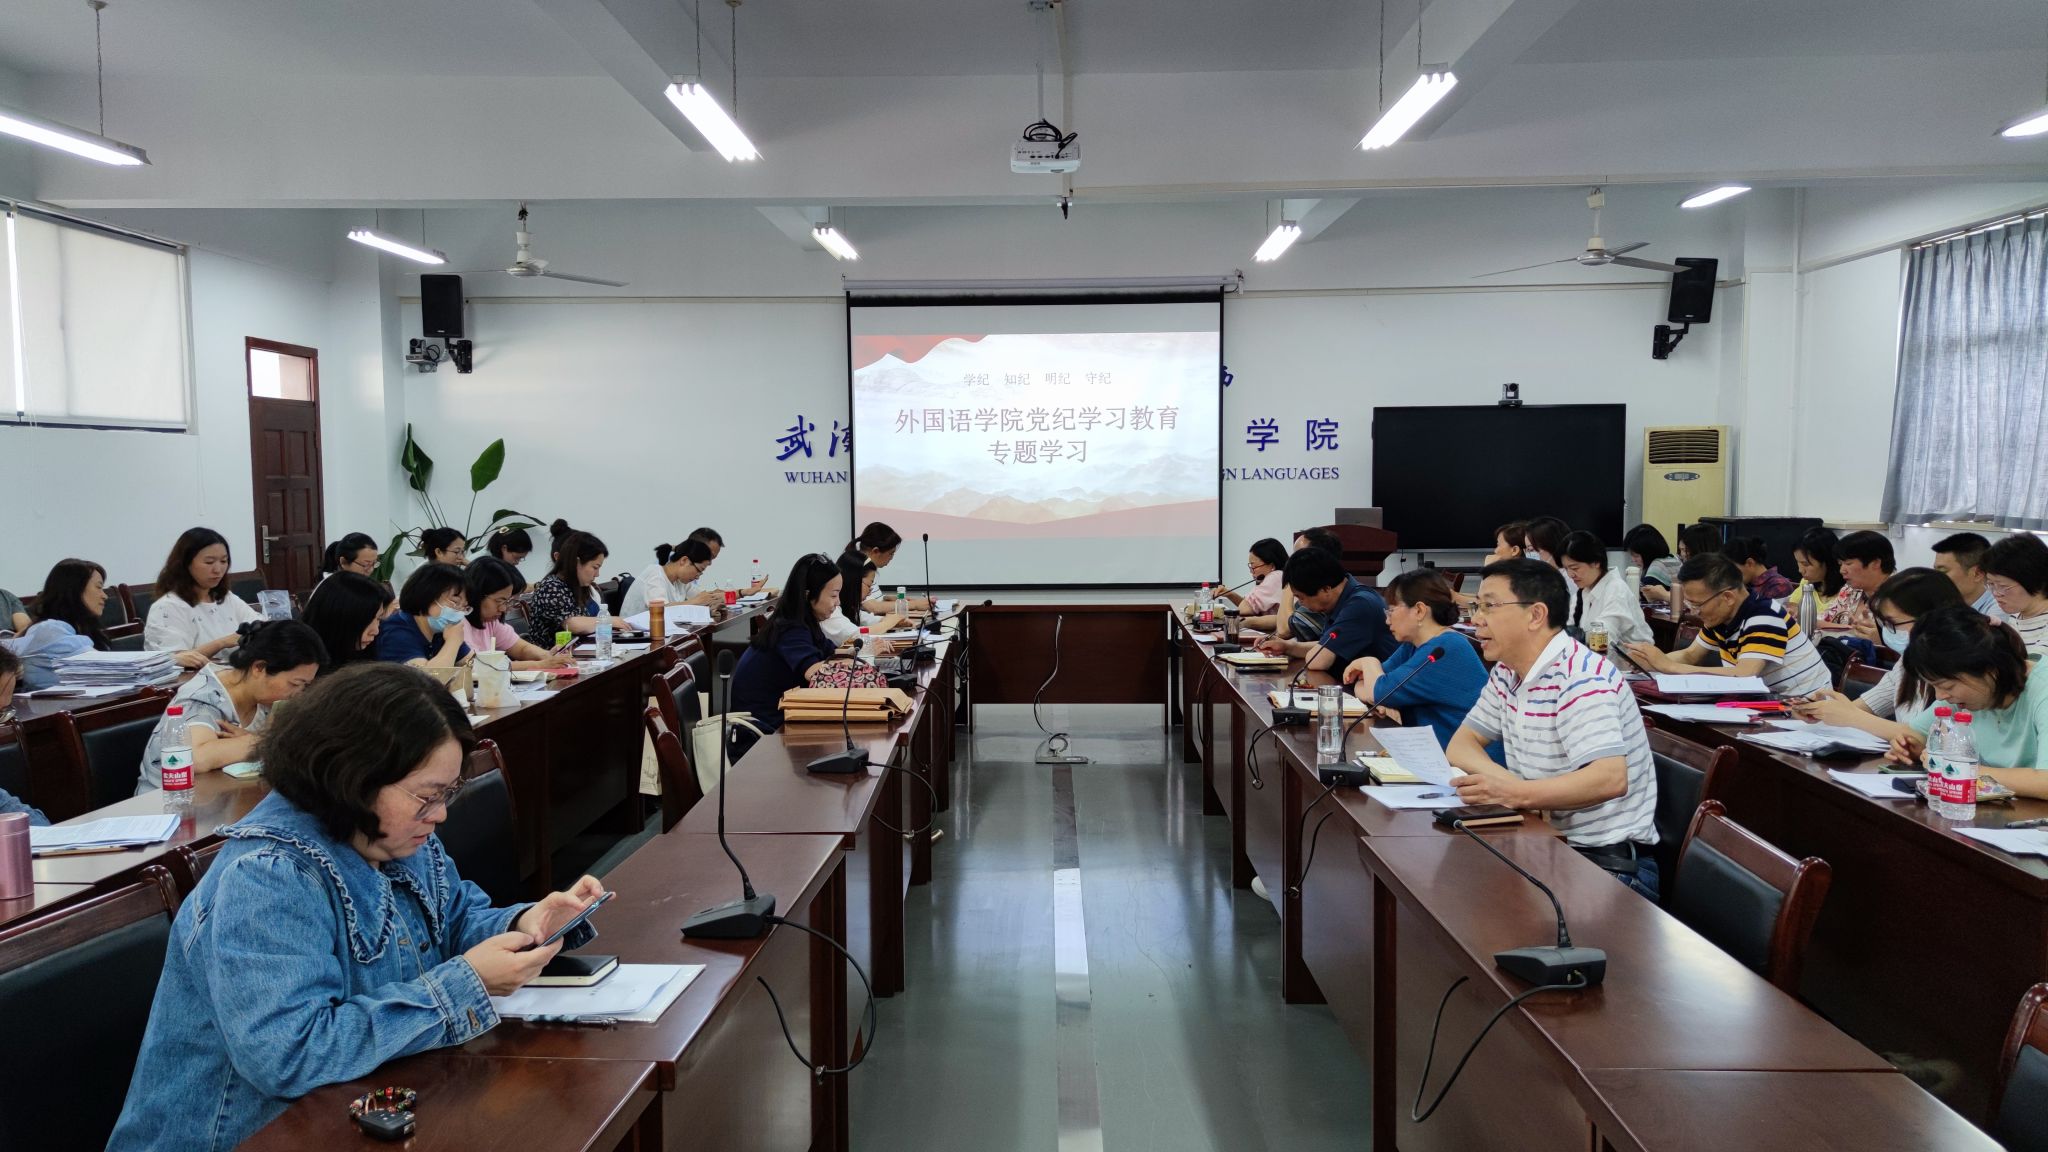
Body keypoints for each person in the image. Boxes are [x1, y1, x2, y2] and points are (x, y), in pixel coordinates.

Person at [107, 662, 607, 1152]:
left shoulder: (393, 834)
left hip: (359, 1107)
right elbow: (291, 1056)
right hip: (246, 1135)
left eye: (448, 793)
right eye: (427, 795)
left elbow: (455, 921)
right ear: (352, 778)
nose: (440, 814)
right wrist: (465, 984)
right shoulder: (269, 876)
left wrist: (526, 924)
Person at [1445, 558, 1660, 899]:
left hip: (1605, 866)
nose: (1476, 619)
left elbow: (1609, 778)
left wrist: (1517, 794)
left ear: (1535, 615)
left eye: (1489, 606)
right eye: (1476, 606)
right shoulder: (1507, 671)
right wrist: (1514, 788)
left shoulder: (1580, 677)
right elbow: (1461, 745)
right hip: (1544, 845)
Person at [1881, 606, 2048, 798]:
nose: (1940, 696)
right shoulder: (1969, 691)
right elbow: (1917, 733)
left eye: (1947, 686)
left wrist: (1961, 769)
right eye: (1934, 686)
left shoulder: (2042, 689)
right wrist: (1910, 747)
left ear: (1991, 670)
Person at [138, 621, 325, 792]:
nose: (299, 693)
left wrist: (250, 743)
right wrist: (262, 742)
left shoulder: (266, 699)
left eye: (305, 686)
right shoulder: (201, 698)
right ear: (259, 668)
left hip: (227, 797)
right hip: (166, 805)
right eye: (295, 684)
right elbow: (196, 757)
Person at [1623, 553, 1833, 698]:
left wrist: (1668, 666)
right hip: (1769, 704)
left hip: (1806, 711)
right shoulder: (1721, 617)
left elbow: (1744, 675)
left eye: (1698, 604)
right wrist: (1650, 662)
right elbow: (1690, 655)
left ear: (1728, 597)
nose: (1695, 612)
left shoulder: (1764, 615)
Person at [1789, 568, 1963, 741]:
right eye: (1883, 623)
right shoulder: (1908, 662)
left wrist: (1850, 716)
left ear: (1929, 618)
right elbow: (1864, 707)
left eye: (1892, 623)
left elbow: (1924, 736)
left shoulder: (1960, 670)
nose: (1886, 631)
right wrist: (1819, 710)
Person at [1341, 570, 1497, 758]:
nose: (1387, 620)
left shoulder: (1445, 649)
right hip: (1435, 757)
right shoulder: (1414, 644)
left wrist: (1369, 662)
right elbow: (1365, 684)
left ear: (1419, 611)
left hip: (1470, 765)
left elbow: (1379, 690)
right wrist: (1377, 693)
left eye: (1391, 610)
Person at [729, 554, 843, 739]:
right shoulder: (790, 628)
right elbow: (815, 673)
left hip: (780, 720)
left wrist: (859, 655)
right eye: (834, 595)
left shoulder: (804, 622)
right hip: (762, 733)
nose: (838, 602)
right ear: (808, 595)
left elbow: (832, 653)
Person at [1255, 546, 1396, 669]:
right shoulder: (1344, 596)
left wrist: (1295, 648)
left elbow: (1318, 661)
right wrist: (1287, 647)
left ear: (1325, 589)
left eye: (1301, 597)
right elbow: (1327, 645)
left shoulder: (1360, 605)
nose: (1301, 604)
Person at [144, 527, 264, 668]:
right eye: (209, 562)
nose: (218, 570)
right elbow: (175, 660)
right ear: (185, 563)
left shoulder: (225, 598)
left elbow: (260, 626)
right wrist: (222, 643)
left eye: (223, 561)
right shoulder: (168, 607)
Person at [13, 559, 114, 690]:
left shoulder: (85, 628)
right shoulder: (49, 630)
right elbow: (105, 668)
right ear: (75, 589)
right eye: (99, 587)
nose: (104, 596)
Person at [462, 558, 574, 670]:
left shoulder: (489, 620)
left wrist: (548, 656)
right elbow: (477, 666)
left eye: (507, 602)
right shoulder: (458, 623)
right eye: (499, 601)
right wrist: (540, 665)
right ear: (476, 594)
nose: (503, 608)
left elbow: (521, 648)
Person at [527, 530, 630, 640]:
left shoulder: (576, 587)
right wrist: (608, 620)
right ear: (576, 562)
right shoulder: (550, 587)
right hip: (552, 651)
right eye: (595, 567)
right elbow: (572, 624)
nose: (597, 574)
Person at [1560, 530, 1652, 647]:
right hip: (1597, 656)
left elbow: (1603, 640)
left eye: (1575, 568)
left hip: (1630, 657)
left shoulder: (1616, 590)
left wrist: (1576, 637)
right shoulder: (1583, 592)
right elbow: (1568, 628)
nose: (1570, 574)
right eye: (1566, 569)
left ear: (1596, 562)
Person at [374, 563, 471, 667]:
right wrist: (453, 642)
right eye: (455, 602)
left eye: (464, 607)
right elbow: (429, 675)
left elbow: (473, 663)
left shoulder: (442, 630)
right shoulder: (395, 631)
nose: (459, 612)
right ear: (427, 595)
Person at [300, 571, 393, 675]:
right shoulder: (303, 666)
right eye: (367, 621)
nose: (375, 631)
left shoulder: (364, 654)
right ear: (339, 618)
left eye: (378, 619)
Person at [820, 552, 908, 649]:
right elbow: (855, 635)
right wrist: (888, 623)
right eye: (869, 585)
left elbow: (866, 619)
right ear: (854, 581)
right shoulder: (829, 610)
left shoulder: (848, 605)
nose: (870, 592)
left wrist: (892, 621)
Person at [1983, 533, 2048, 655]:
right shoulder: (2016, 615)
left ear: (2033, 579)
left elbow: (2036, 664)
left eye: (2003, 586)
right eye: (1991, 584)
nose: (1996, 594)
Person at [622, 538, 722, 616]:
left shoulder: (680, 581)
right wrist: (695, 602)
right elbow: (660, 610)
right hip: (632, 634)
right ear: (684, 561)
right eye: (699, 570)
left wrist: (716, 598)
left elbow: (700, 596)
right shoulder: (655, 575)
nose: (697, 577)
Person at [848, 521, 928, 613]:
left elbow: (871, 601)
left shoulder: (867, 567)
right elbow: (873, 607)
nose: (892, 558)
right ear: (876, 551)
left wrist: (886, 598)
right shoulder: (857, 568)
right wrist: (914, 604)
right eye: (891, 553)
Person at [1834, 530, 1896, 643]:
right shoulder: (1848, 590)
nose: (1842, 570)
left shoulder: (1901, 596)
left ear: (1876, 563)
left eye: (1848, 563)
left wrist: (1883, 641)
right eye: (1840, 564)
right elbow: (1825, 622)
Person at [1929, 532, 2004, 620]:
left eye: (1943, 571)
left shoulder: (2001, 608)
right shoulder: (1942, 603)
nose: (1934, 577)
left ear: (1978, 574)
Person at [1786, 527, 1853, 625]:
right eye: (1798, 562)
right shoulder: (1807, 583)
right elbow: (1792, 606)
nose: (1800, 570)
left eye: (1806, 564)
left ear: (1828, 561)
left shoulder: (1849, 591)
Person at [1642, 524, 1722, 606]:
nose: (1682, 555)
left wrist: (1663, 595)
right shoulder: (1691, 571)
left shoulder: (1717, 573)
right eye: (1680, 550)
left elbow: (1696, 604)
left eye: (1684, 550)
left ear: (1698, 549)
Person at [685, 527, 771, 597]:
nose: (710, 563)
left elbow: (701, 597)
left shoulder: (687, 578)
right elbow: (697, 600)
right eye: (709, 556)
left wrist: (744, 592)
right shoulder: (684, 574)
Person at [1219, 538, 1289, 619]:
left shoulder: (1275, 577)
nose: (1251, 571)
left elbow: (1243, 609)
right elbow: (1252, 609)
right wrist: (1230, 594)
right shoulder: (1282, 576)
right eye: (1250, 567)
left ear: (1272, 566)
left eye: (1254, 567)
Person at [1726, 536, 1794, 600]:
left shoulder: (1778, 586)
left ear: (1750, 563)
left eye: (1732, 569)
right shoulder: (1745, 583)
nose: (1730, 574)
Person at [1624, 524, 1679, 590]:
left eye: (1636, 556)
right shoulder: (1673, 558)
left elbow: (1641, 593)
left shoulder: (1656, 567)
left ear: (1648, 552)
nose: (1633, 560)